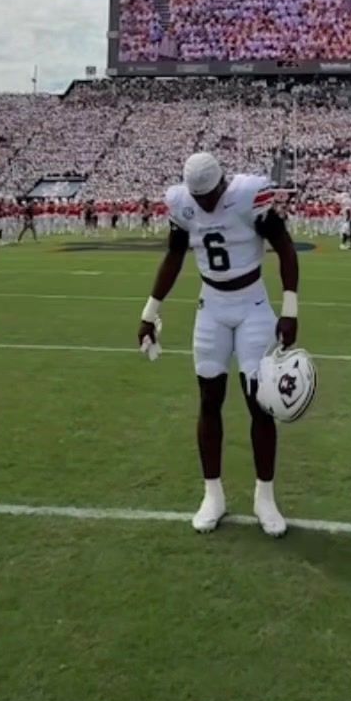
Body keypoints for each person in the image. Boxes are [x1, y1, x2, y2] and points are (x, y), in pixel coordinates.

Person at [136, 151, 299, 538]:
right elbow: (174, 255)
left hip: (253, 305)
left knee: (260, 403)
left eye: (209, 196)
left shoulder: (248, 195)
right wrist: (149, 312)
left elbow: (285, 247)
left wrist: (290, 309)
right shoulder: (182, 204)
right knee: (209, 399)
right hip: (211, 306)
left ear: (223, 183)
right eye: (198, 198)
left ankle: (264, 497)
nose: (205, 204)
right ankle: (213, 495)